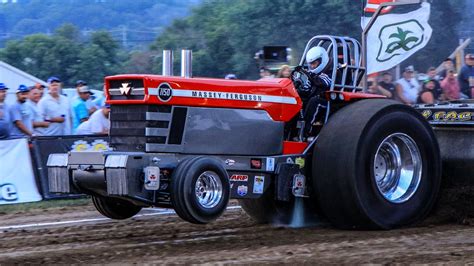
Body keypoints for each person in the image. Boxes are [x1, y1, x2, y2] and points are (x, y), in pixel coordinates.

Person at [298, 46, 332, 137]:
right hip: (316, 97)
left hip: (329, 100)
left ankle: (304, 133)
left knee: (314, 101)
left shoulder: (332, 70)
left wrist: (310, 75)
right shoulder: (313, 74)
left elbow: (324, 82)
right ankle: (290, 131)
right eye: (310, 64)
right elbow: (307, 89)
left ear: (322, 60)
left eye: (314, 63)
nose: (312, 66)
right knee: (298, 99)